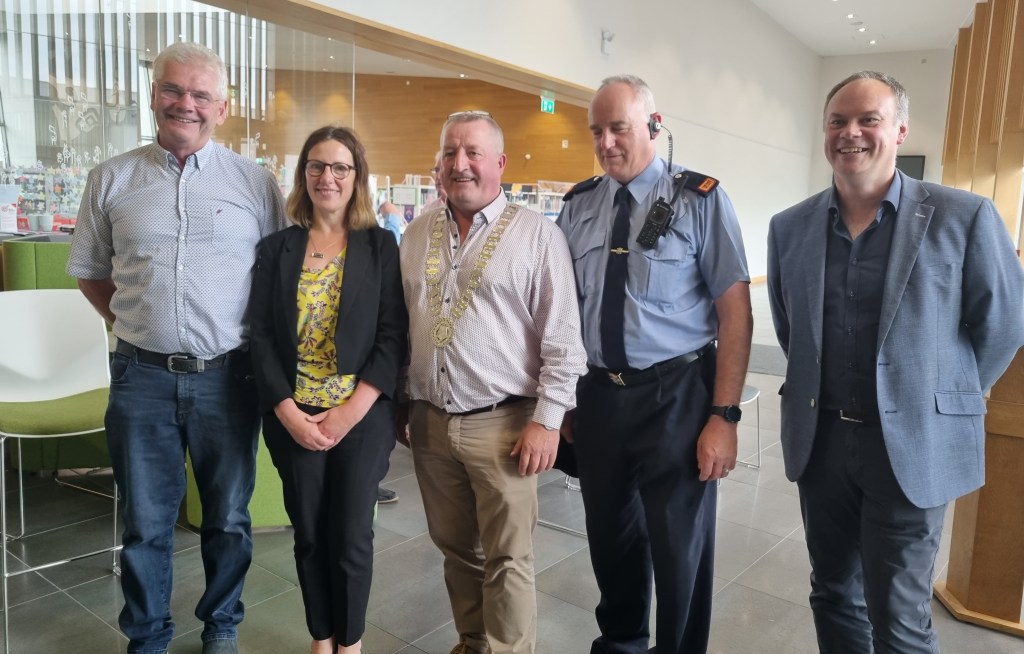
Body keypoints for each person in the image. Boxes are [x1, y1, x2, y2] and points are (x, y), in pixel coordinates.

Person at [767, 71, 1024, 653]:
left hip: (913, 444)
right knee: (833, 593)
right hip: (822, 444)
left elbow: (1005, 325)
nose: (850, 132)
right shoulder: (790, 228)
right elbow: (791, 328)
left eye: (869, 120)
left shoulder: (964, 216)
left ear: (900, 130)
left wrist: (942, 393)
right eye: (837, 121)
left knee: (900, 617)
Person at [66, 42, 286, 654]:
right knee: (145, 523)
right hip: (141, 377)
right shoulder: (110, 178)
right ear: (153, 94)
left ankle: (222, 628)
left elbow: (275, 275)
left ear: (222, 107)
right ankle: (148, 638)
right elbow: (90, 271)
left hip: (229, 379)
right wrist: (138, 322)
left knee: (229, 519)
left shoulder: (255, 182)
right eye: (173, 89)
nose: (185, 103)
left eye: (200, 94)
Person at [557, 75, 752, 654]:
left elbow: (735, 315)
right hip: (599, 396)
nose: (607, 142)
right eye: (597, 130)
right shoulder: (579, 205)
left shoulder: (700, 199)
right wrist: (564, 400)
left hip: (677, 394)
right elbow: (561, 312)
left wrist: (724, 415)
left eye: (619, 128)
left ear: (653, 125)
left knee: (679, 545)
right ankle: (621, 643)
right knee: (609, 538)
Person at [398, 111, 587, 654]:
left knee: (508, 558)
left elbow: (564, 342)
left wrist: (547, 421)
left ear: (499, 163)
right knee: (456, 550)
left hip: (504, 425)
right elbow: (403, 324)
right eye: (450, 153)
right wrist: (400, 404)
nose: (460, 164)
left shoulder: (537, 236)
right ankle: (472, 642)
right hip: (430, 422)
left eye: (473, 153)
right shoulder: (416, 233)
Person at [249, 125, 407, 654]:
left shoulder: (381, 246)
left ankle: (351, 643)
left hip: (360, 414)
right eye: (317, 165)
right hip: (294, 413)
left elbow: (392, 337)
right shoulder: (277, 249)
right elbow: (261, 337)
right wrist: (288, 412)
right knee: (311, 533)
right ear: (304, 175)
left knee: (352, 535)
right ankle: (322, 637)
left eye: (340, 167)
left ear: (356, 177)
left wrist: (348, 412)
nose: (328, 177)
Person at [420, 150, 447, 214]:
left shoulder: (466, 208)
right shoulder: (429, 209)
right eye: (436, 170)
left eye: (443, 170)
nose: (438, 177)